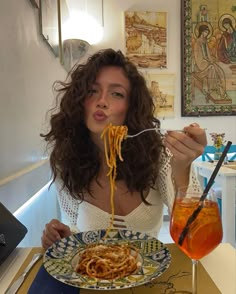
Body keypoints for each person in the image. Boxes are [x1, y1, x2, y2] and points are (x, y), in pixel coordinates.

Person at [41, 48, 207, 249]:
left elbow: (195, 237)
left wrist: (182, 170)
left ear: (130, 106)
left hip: (150, 271)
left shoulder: (157, 156)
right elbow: (78, 229)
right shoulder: (66, 161)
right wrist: (66, 236)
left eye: (116, 94)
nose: (102, 101)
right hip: (94, 274)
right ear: (80, 100)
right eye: (93, 91)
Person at [193, 24, 228, 100]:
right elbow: (198, 57)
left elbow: (208, 54)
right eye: (205, 32)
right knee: (211, 68)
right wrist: (207, 62)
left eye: (207, 32)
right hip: (201, 63)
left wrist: (211, 60)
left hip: (207, 62)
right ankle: (212, 90)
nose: (206, 34)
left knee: (219, 70)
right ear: (201, 32)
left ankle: (222, 91)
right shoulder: (197, 42)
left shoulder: (205, 41)